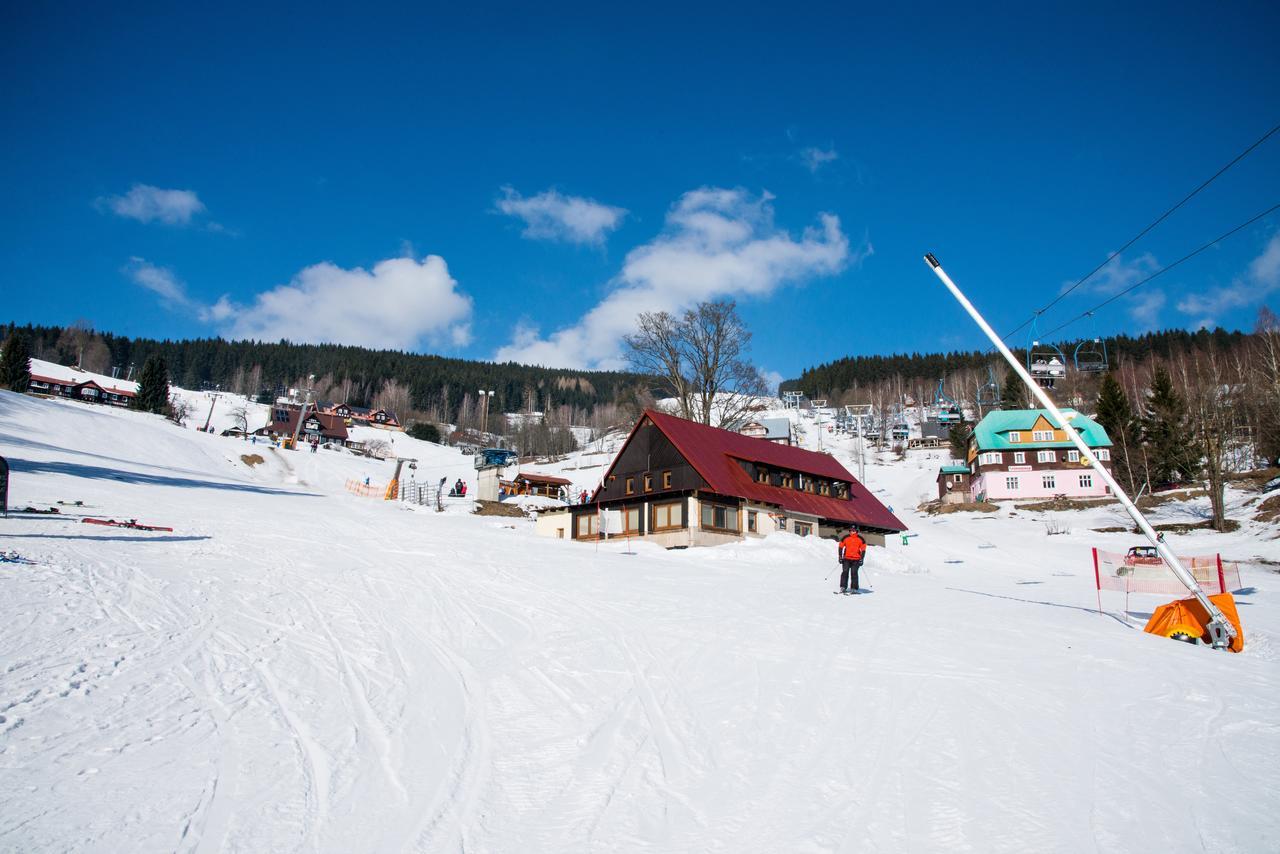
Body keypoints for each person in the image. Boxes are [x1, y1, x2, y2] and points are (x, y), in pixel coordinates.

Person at [837, 525, 867, 594]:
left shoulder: (861, 539)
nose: (852, 532)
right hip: (846, 559)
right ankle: (843, 587)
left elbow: (863, 550)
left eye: (854, 530)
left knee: (854, 573)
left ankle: (854, 588)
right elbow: (840, 547)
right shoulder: (845, 537)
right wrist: (840, 557)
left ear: (856, 531)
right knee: (845, 572)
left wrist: (862, 559)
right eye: (851, 530)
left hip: (856, 559)